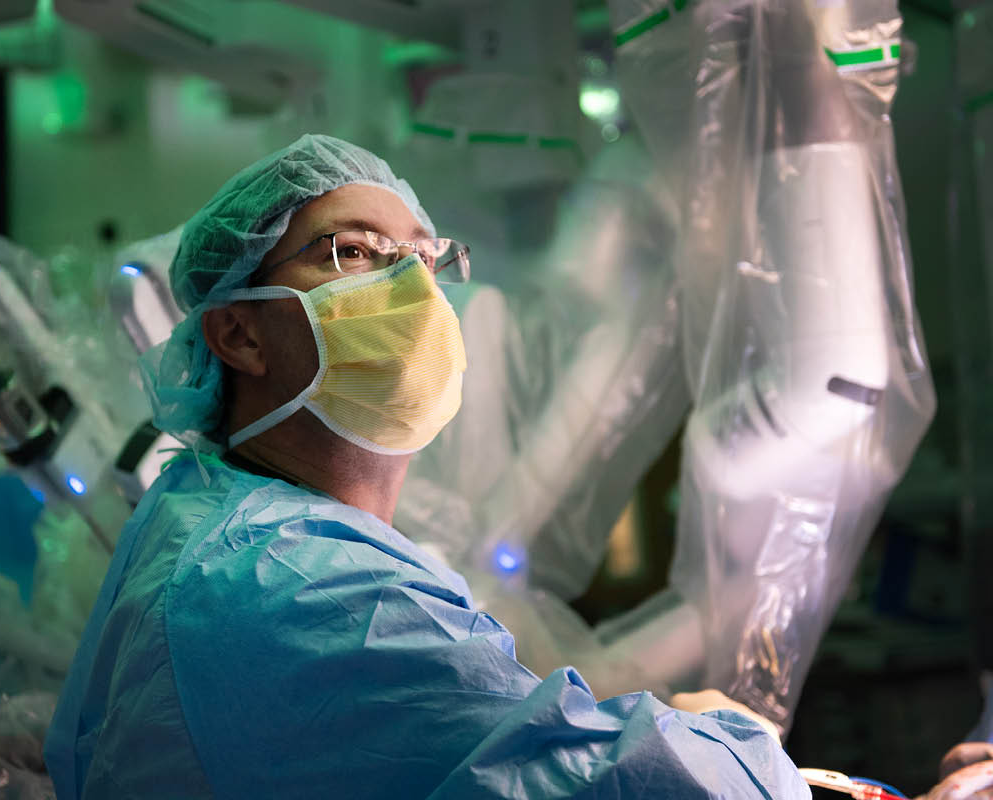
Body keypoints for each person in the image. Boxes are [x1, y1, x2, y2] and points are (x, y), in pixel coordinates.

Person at [43, 134, 807, 799]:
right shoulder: (297, 587)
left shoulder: (218, 509)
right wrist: (738, 742)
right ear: (240, 334)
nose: (411, 287)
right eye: (352, 252)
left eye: (422, 256)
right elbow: (642, 788)